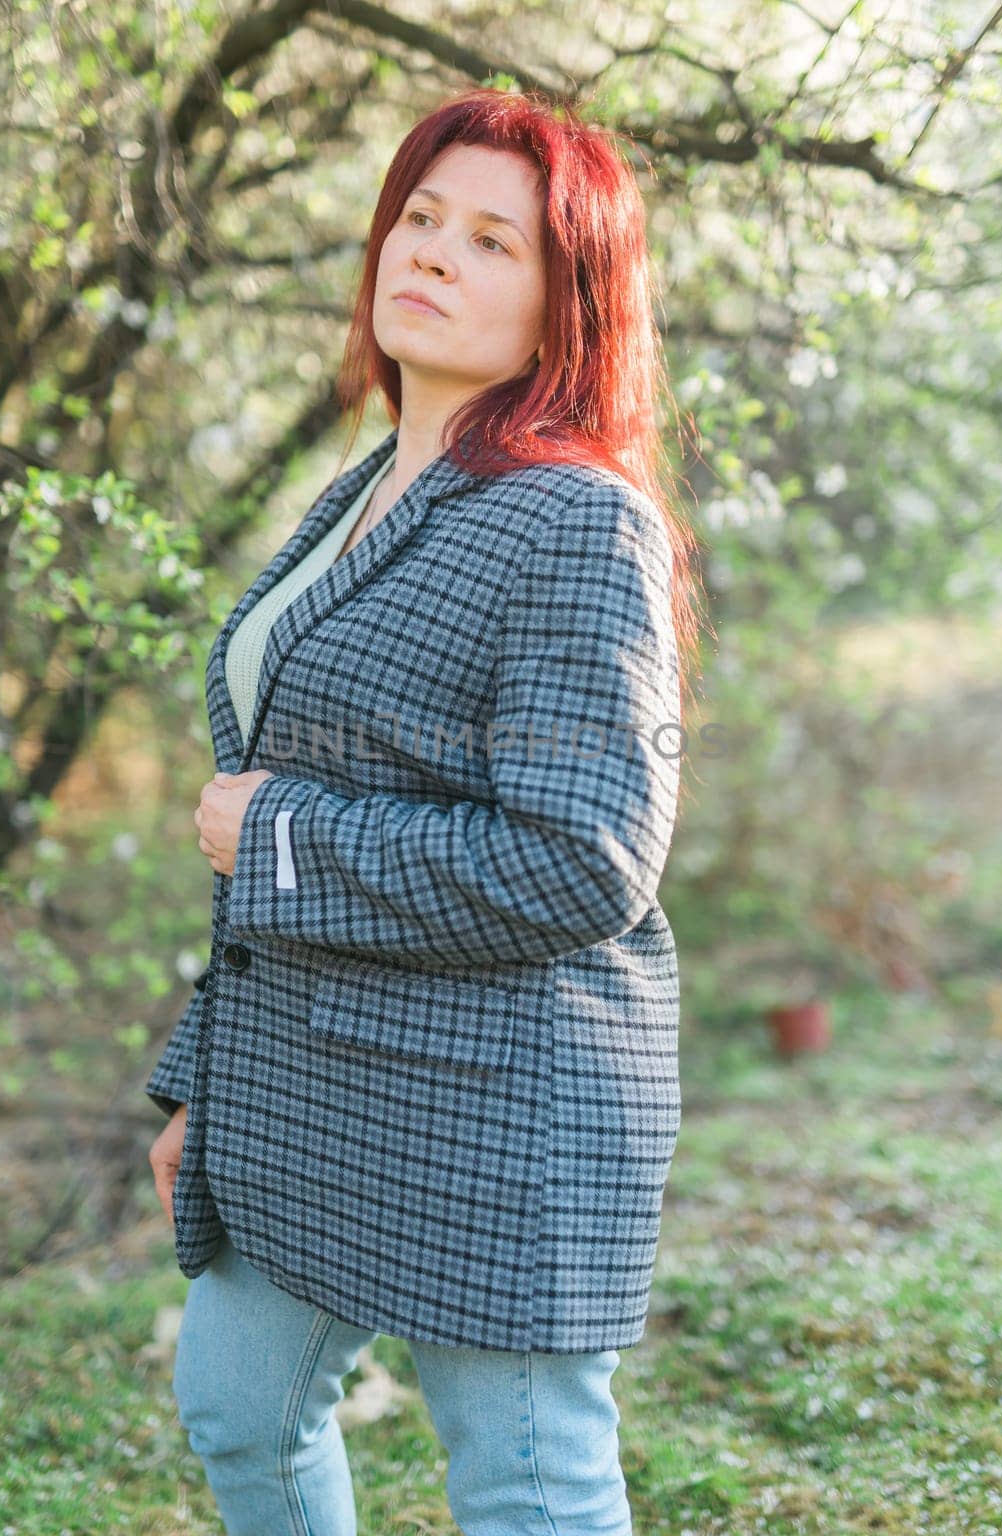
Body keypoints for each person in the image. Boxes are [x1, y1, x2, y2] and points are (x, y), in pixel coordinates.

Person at [145, 86, 701, 1536]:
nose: (433, 254)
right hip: (303, 1082)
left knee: (528, 1482)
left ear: (566, 304)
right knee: (237, 1405)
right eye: (419, 217)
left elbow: (584, 859)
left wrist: (275, 833)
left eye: (493, 241)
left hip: (502, 1099)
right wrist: (205, 1072)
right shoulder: (360, 494)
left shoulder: (581, 518)